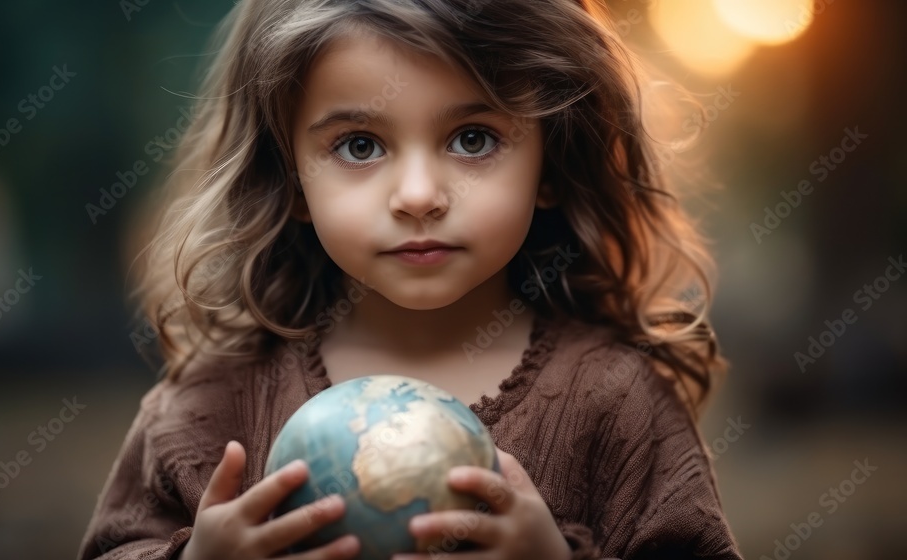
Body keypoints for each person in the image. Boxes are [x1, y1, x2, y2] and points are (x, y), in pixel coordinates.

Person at [77, 0, 743, 558]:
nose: (419, 195)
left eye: (473, 138)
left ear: (551, 163)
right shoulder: (210, 405)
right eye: (360, 145)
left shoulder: (614, 399)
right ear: (292, 180)